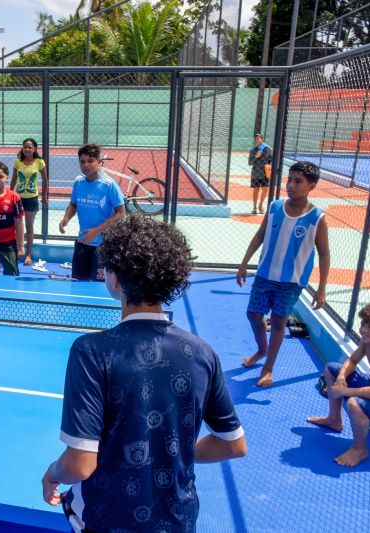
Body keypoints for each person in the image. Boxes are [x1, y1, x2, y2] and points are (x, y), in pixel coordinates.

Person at [41, 215, 247, 532]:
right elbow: (233, 445)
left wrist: (53, 473)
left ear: (116, 280)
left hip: (107, 520)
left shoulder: (91, 352)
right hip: (179, 520)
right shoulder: (202, 353)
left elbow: (80, 464)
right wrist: (169, 451)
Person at [237, 161, 330, 388]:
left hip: (291, 282)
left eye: (298, 181)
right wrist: (244, 263)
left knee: (278, 321)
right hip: (264, 275)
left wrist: (322, 289)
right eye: (290, 180)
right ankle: (262, 349)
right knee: (253, 314)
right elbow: (259, 236)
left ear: (312, 186)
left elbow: (325, 254)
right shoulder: (275, 207)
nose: (291, 185)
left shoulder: (317, 218)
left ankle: (268, 368)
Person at [307, 300, 370, 467]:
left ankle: (360, 449)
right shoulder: (368, 341)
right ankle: (334, 419)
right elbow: (352, 360)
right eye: (363, 324)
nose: (363, 330)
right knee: (332, 369)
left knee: (354, 403)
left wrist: (345, 392)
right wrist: (341, 378)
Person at [58, 144, 125, 281]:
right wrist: (66, 218)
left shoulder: (109, 184)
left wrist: (96, 231)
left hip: (102, 246)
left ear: (99, 162)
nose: (85, 165)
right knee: (77, 283)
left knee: (98, 286)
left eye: (90, 161)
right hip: (82, 242)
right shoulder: (78, 182)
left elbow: (121, 213)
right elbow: (73, 204)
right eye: (82, 162)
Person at [10, 138, 48, 266]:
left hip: (32, 199)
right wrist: (9, 194)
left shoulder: (39, 162)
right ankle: (16, 251)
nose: (27, 149)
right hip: (18, 199)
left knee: (29, 227)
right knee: (16, 227)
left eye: (30, 147)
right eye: (25, 147)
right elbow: (14, 179)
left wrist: (44, 197)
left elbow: (45, 180)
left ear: (35, 149)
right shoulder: (17, 162)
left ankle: (28, 255)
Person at [248, 133, 272, 215]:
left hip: (265, 173)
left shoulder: (267, 149)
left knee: (265, 190)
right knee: (256, 190)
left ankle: (260, 205)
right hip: (256, 173)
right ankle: (254, 207)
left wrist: (270, 166)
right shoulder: (253, 150)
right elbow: (249, 163)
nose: (257, 140)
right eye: (255, 139)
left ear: (262, 139)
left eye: (258, 138)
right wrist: (256, 156)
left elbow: (271, 159)